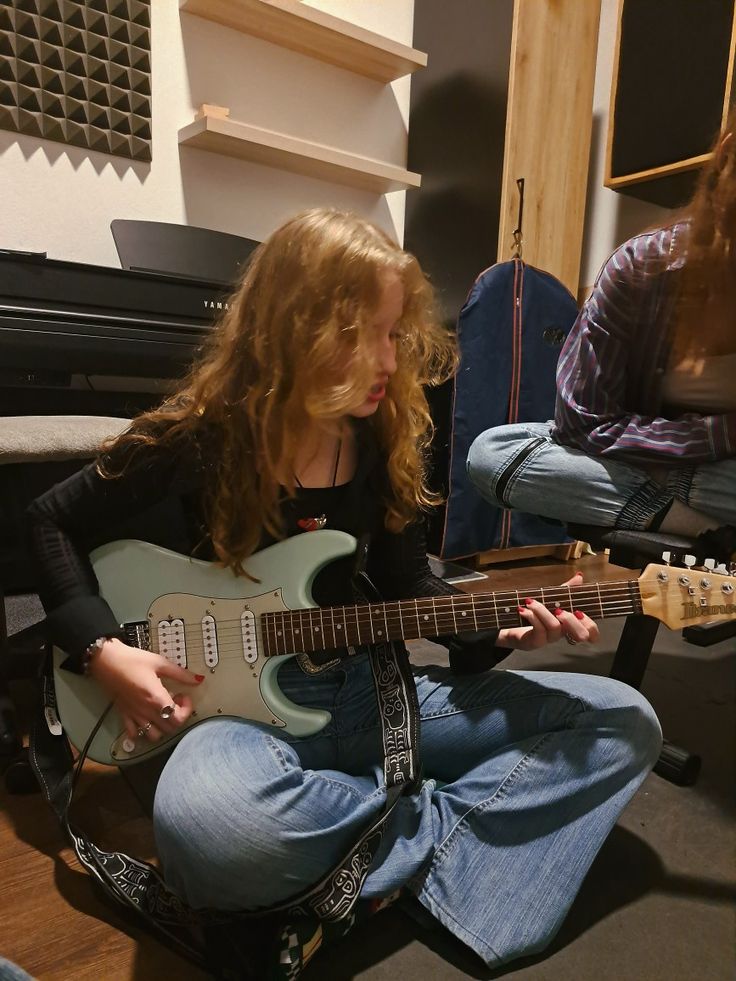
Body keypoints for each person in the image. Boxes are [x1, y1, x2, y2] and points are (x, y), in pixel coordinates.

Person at [27, 209, 661, 979]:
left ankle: (348, 857)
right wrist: (101, 650)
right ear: (298, 329)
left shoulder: (386, 436)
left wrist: (500, 628)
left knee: (625, 720)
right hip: (238, 720)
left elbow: (409, 588)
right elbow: (49, 518)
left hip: (368, 694)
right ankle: (431, 830)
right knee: (207, 825)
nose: (392, 359)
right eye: (371, 334)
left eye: (397, 333)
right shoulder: (200, 434)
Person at [467, 111, 736, 561]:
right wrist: (719, 436)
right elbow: (582, 421)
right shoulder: (643, 268)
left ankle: (670, 509)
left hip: (669, 470)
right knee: (492, 454)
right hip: (638, 462)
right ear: (727, 157)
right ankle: (710, 532)